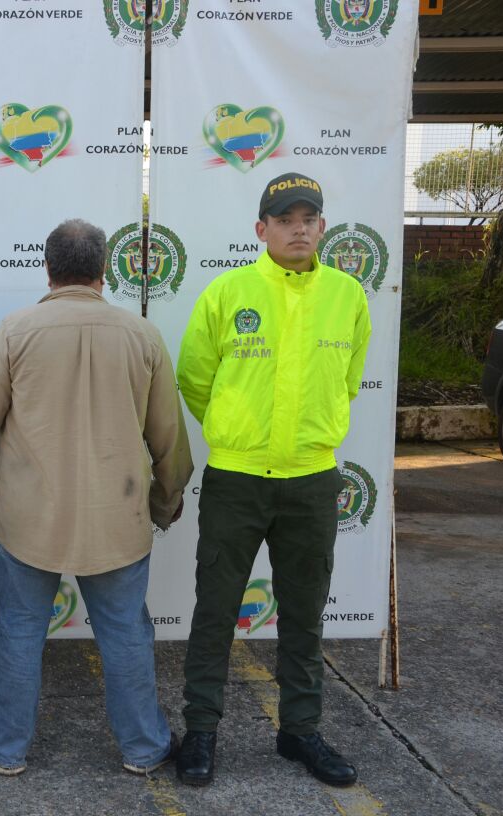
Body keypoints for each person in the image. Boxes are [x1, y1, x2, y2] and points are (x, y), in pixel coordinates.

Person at [0, 218, 193, 777]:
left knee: (19, 632)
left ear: (47, 268)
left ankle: (2, 747)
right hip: (117, 520)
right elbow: (169, 436)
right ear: (104, 271)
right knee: (126, 634)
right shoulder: (141, 334)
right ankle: (144, 749)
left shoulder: (15, 330)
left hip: (28, 519)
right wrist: (166, 501)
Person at [174, 173, 371, 788]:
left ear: (323, 228)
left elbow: (348, 379)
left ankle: (299, 731)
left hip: (311, 482)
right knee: (215, 611)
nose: (299, 229)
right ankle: (201, 731)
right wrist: (235, 432)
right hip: (237, 480)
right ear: (261, 229)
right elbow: (194, 379)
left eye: (310, 218)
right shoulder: (228, 291)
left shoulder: (348, 295)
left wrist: (309, 436)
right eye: (286, 219)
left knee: (306, 614)